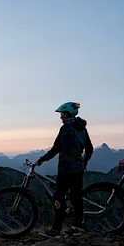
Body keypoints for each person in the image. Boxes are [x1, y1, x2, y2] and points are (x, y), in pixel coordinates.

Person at [33, 102, 94, 238]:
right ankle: (76, 226)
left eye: (61, 114)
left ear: (66, 114)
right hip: (78, 169)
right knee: (76, 197)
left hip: (66, 168)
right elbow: (89, 148)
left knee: (58, 196)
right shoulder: (82, 128)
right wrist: (84, 162)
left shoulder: (66, 129)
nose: (60, 117)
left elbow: (56, 149)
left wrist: (41, 160)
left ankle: (56, 229)